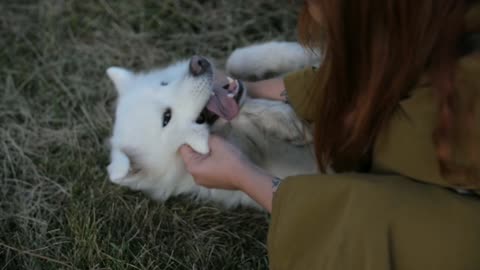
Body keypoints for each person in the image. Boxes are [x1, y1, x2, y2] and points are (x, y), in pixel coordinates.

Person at [180, 0, 480, 269]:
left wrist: (245, 177)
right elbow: (392, 64)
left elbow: (393, 233)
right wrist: (245, 91)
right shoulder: (442, 22)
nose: (307, 10)